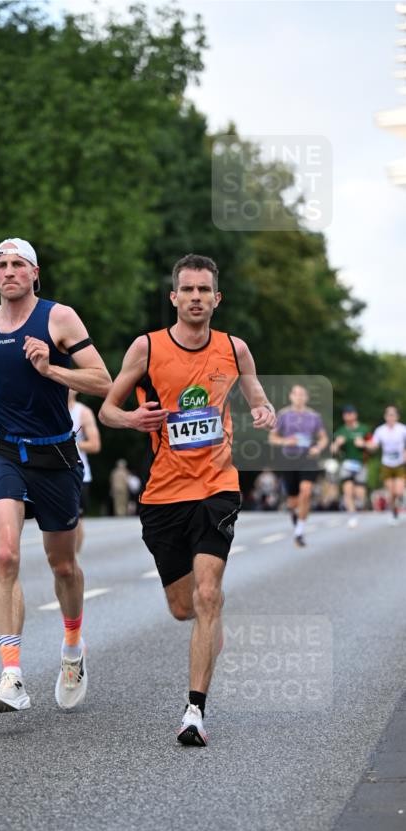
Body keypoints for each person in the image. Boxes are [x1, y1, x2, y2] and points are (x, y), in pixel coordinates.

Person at [99, 253, 276, 747]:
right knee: (183, 608)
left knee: (207, 593)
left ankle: (194, 711)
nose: (196, 297)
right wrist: (131, 419)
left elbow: (256, 394)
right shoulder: (147, 348)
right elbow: (109, 408)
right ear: (174, 296)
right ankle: (208, 621)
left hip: (217, 486)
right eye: (188, 290)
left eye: (204, 290)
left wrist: (264, 410)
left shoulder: (234, 349)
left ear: (217, 299)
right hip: (163, 494)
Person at [0, 238, 111, 714]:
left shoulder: (59, 318)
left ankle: (72, 647)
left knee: (62, 565)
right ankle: (12, 677)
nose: (9, 271)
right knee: (4, 554)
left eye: (18, 264)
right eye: (1, 265)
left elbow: (103, 380)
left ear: (35, 273)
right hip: (5, 450)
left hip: (56, 454)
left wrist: (52, 370)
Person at [268, 385, 328, 547]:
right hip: (289, 459)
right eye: (296, 394)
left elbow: (323, 438)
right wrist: (286, 441)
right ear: (291, 396)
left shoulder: (314, 416)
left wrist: (318, 448)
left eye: (302, 394)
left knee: (306, 492)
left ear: (307, 397)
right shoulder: (283, 415)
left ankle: (300, 531)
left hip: (308, 458)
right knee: (293, 501)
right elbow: (272, 438)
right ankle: (296, 516)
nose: (299, 397)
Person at [68, 389, 101, 552]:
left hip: (78, 474)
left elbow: (95, 445)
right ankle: (61, 559)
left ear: (75, 389)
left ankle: (74, 557)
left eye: (69, 385)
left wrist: (69, 444)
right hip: (53, 472)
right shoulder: (48, 408)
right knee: (56, 521)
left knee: (76, 520)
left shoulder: (83, 412)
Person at [330, 404, 370, 527]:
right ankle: (352, 516)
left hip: (361, 464)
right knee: (348, 491)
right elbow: (332, 450)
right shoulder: (341, 431)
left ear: (355, 415)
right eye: (346, 414)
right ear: (344, 416)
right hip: (346, 464)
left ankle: (359, 506)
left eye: (351, 413)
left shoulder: (364, 429)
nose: (349, 416)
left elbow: (373, 445)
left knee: (360, 493)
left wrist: (364, 444)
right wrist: (337, 444)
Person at [366, 405, 406, 521]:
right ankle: (394, 512)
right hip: (386, 464)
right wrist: (366, 445)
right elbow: (374, 445)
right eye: (388, 415)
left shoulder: (402, 429)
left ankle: (397, 507)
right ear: (385, 416)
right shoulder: (380, 430)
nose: (390, 417)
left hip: (399, 463)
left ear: (397, 417)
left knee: (399, 491)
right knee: (391, 492)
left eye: (393, 415)